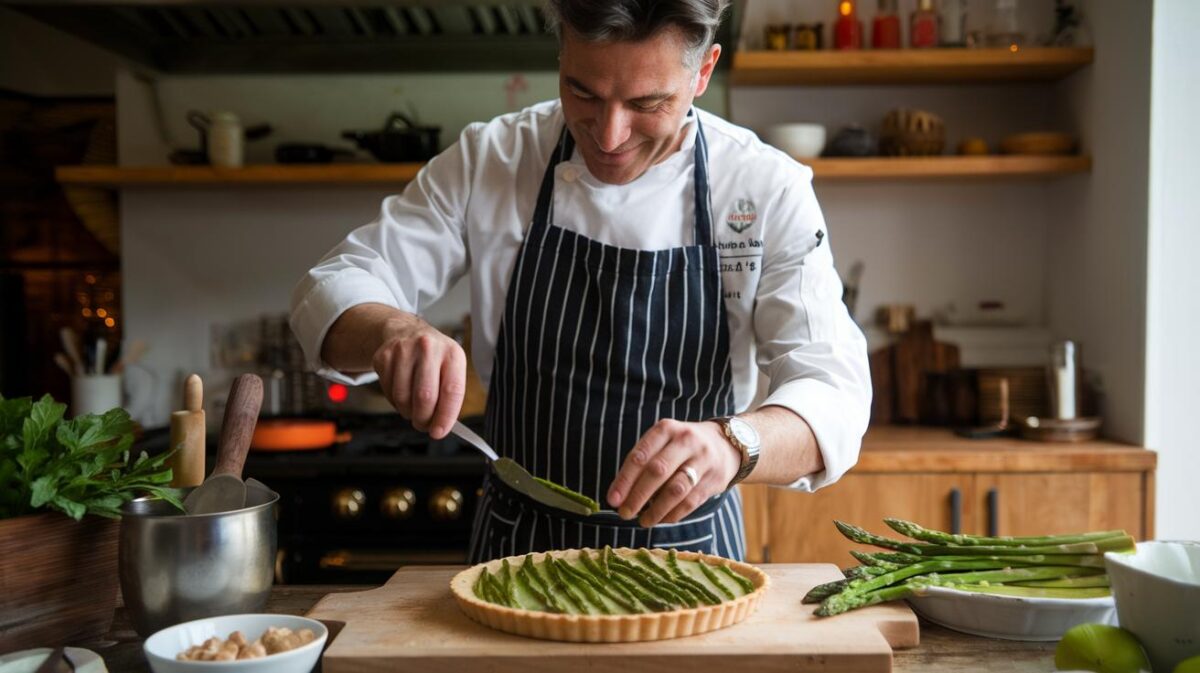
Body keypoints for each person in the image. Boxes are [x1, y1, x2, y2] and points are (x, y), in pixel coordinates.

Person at [289, 0, 871, 563]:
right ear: (562, 50)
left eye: (648, 102)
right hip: (516, 549)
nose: (610, 136)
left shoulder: (764, 188)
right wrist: (391, 328)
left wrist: (734, 443)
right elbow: (336, 284)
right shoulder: (494, 157)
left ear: (704, 71)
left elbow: (834, 390)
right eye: (582, 92)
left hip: (693, 558)